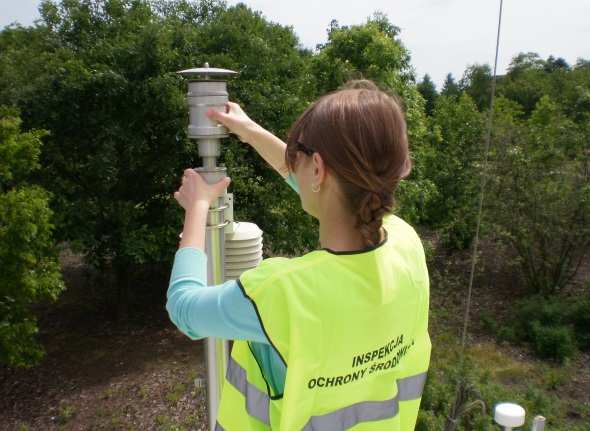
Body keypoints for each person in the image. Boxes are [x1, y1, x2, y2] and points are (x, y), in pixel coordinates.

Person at [166, 79, 431, 430]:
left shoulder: (282, 293)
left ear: (318, 169)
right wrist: (249, 131)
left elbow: (184, 308)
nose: (293, 162)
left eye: (299, 153)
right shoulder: (406, 244)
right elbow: (326, 186)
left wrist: (197, 207)